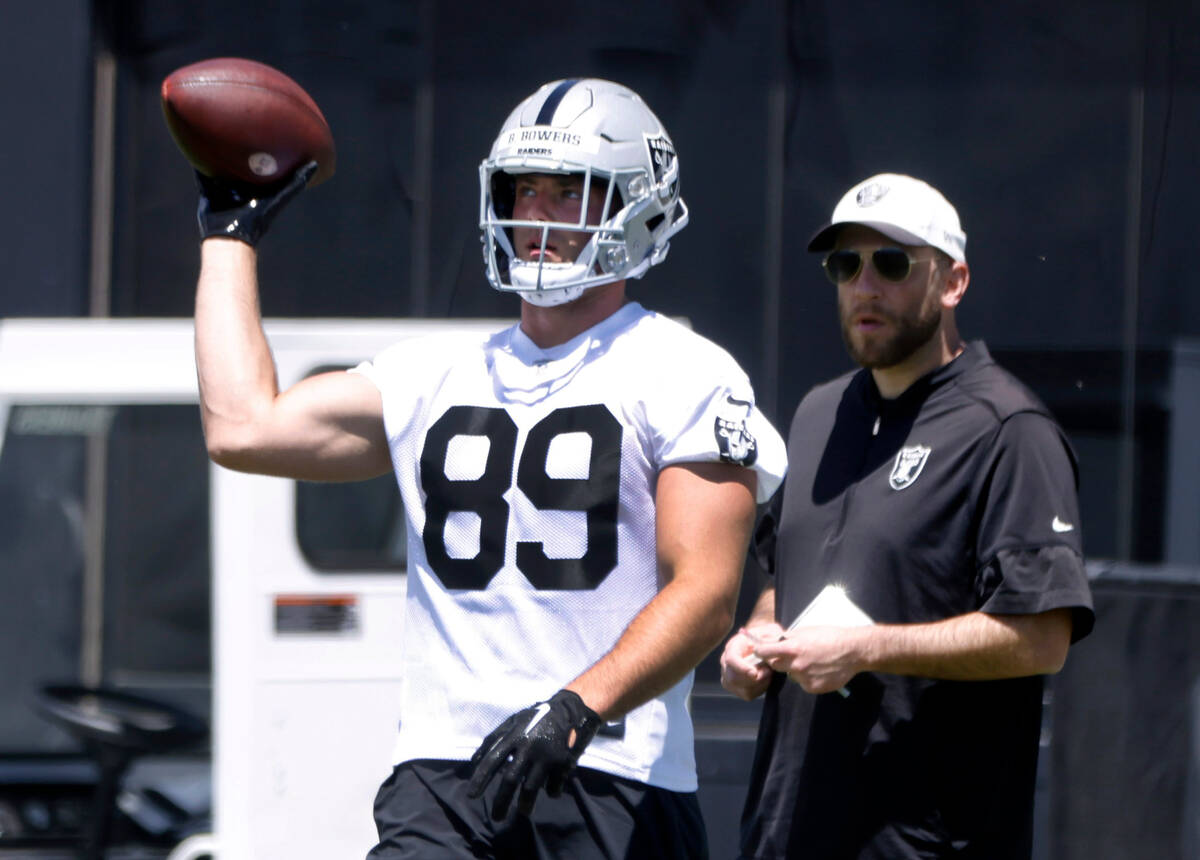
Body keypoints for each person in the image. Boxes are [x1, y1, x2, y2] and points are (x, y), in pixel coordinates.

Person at [188, 78, 786, 859]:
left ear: (636, 205)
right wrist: (228, 233)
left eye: (567, 192)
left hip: (610, 769)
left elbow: (705, 595)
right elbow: (242, 427)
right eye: (522, 190)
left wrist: (578, 707)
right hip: (445, 775)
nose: (536, 216)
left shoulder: (685, 370)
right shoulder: (433, 372)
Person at [719, 173, 1094, 859]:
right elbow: (782, 569)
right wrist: (760, 634)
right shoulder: (819, 412)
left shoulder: (1009, 429)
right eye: (846, 265)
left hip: (920, 841)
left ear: (953, 282)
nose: (865, 286)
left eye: (891, 263)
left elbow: (1043, 637)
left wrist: (865, 648)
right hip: (785, 832)